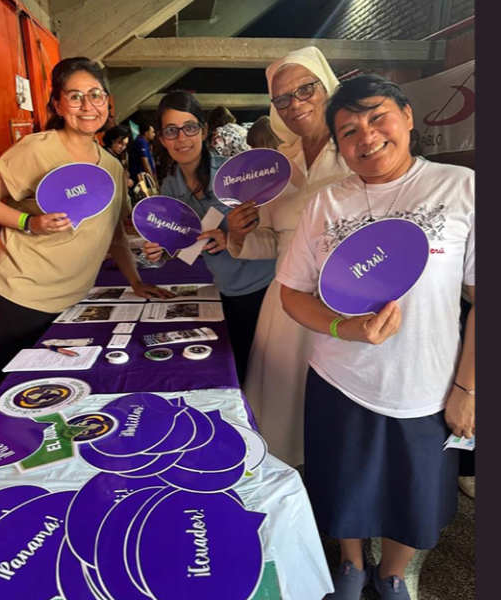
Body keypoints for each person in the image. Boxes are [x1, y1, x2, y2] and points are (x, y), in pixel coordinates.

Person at [277, 74, 475, 600]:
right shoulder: (325, 204)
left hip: (428, 382)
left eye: (377, 117)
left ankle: (390, 573)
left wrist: (468, 388)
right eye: (347, 130)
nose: (365, 136)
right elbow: (292, 294)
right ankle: (350, 564)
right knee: (344, 484)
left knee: (413, 494)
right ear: (338, 145)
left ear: (408, 116)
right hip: (340, 377)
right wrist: (348, 327)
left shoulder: (460, 188)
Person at [0, 57, 172, 404]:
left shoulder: (111, 164)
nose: (87, 105)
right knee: (2, 398)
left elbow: (115, 234)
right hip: (19, 294)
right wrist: (29, 222)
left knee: (55, 395)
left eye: (95, 94)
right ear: (58, 104)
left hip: (72, 302)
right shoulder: (37, 148)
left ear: (108, 101)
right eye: (75, 96)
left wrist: (135, 281)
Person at [224, 46, 352, 467]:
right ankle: (290, 493)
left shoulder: (356, 152)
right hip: (284, 303)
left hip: (344, 302)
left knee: (337, 415)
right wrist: (242, 234)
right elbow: (276, 242)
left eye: (305, 89)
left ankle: (337, 494)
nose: (295, 103)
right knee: (282, 413)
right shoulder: (278, 164)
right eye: (282, 97)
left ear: (327, 88)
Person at [141, 91, 277, 385]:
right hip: (227, 290)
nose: (182, 139)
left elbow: (272, 227)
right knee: (238, 369)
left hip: (266, 287)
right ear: (162, 139)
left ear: (204, 131)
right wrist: (162, 251)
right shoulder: (169, 187)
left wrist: (237, 232)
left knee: (269, 374)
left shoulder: (234, 174)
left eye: (190, 127)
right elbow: (184, 245)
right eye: (171, 131)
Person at [102, 125, 133, 190]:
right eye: (120, 143)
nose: (123, 147)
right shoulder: (104, 155)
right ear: (112, 140)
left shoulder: (116, 155)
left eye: (125, 145)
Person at [128, 122, 157, 189]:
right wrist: (152, 181)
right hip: (141, 181)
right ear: (146, 133)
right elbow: (145, 163)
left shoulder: (146, 143)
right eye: (152, 132)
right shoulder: (141, 142)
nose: (154, 134)